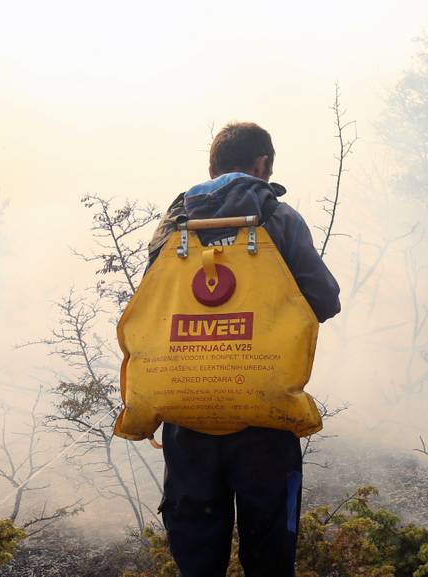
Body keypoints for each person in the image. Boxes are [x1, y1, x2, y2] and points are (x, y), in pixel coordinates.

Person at [147, 122, 341, 577]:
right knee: (269, 557)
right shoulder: (279, 218)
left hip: (187, 411)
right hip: (263, 413)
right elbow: (325, 301)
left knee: (197, 561)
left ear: (211, 167)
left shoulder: (174, 223)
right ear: (262, 163)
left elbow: (151, 305)